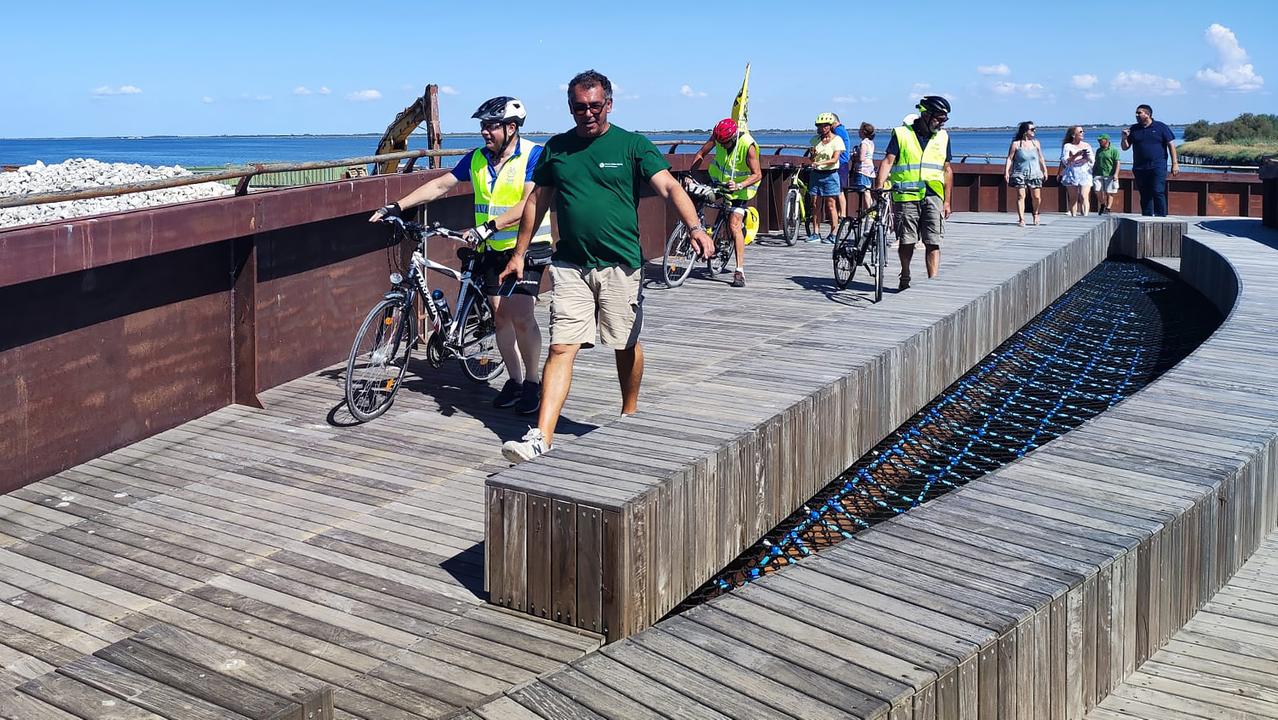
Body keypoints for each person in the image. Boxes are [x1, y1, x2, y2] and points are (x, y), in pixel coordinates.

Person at [499, 70, 712, 463]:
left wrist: (695, 228)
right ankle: (541, 437)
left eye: (595, 106)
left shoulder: (631, 145)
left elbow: (668, 187)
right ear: (570, 108)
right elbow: (536, 203)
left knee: (624, 342)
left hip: (621, 265)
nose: (588, 114)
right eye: (580, 107)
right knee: (562, 346)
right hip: (571, 265)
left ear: (608, 104)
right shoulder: (557, 149)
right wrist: (518, 253)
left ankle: (629, 413)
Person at [370, 96, 550, 415]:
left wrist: (489, 226)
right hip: (491, 248)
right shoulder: (477, 159)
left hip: (528, 245)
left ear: (511, 128)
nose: (484, 132)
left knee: (521, 314)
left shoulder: (534, 156)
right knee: (500, 316)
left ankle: (534, 384)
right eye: (482, 126)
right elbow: (441, 185)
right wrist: (397, 206)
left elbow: (529, 204)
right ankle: (516, 381)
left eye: (491, 126)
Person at [875, 96, 953, 291]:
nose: (942, 123)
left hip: (934, 194)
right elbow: (888, 161)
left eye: (945, 120)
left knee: (933, 241)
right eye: (939, 118)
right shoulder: (902, 134)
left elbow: (947, 170)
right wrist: (879, 184)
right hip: (906, 195)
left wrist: (947, 202)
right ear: (926, 115)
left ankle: (933, 283)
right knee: (907, 240)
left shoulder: (943, 137)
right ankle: (905, 274)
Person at [689, 117, 762, 287]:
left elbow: (757, 174)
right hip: (718, 182)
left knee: (734, 226)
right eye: (719, 141)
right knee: (698, 200)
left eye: (725, 143)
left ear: (733, 137)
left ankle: (739, 271)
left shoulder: (748, 145)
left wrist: (739, 185)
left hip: (741, 190)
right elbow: (701, 153)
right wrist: (690, 175)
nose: (721, 145)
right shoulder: (718, 137)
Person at [1121, 104, 1179, 217]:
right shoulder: (1134, 129)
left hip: (1158, 165)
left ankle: (1161, 217)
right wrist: (1124, 138)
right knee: (1145, 194)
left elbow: (1171, 145)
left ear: (1148, 114)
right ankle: (1147, 217)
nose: (1136, 115)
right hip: (1140, 167)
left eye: (1139, 113)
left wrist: (1175, 164)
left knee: (1158, 191)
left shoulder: (1161, 127)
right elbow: (1125, 147)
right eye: (1136, 113)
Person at [807, 113, 845, 243]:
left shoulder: (837, 140)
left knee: (831, 205)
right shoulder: (815, 140)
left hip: (830, 174)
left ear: (829, 126)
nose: (821, 128)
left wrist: (819, 163)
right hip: (816, 174)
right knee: (815, 204)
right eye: (819, 126)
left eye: (824, 126)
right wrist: (813, 156)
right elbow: (811, 158)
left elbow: (835, 159)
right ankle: (815, 232)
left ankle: (834, 233)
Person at [1003, 121, 1047, 227]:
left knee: (1036, 197)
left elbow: (1041, 158)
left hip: (1035, 173)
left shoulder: (1036, 143)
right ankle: (1021, 219)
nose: (1034, 131)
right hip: (1020, 173)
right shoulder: (1016, 144)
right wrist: (1006, 172)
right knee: (1020, 196)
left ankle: (1035, 213)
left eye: (1034, 129)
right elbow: (1009, 158)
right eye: (1032, 129)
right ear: (1025, 131)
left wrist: (1044, 170)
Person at [1059, 125, 1093, 217]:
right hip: (1072, 173)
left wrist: (1087, 157)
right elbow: (1065, 161)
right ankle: (1074, 217)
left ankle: (1085, 216)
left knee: (1083, 196)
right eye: (1080, 132)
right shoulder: (1068, 146)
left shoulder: (1087, 145)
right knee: (1073, 197)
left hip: (1085, 172)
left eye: (1083, 131)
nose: (1083, 133)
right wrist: (1075, 155)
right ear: (1074, 135)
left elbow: (1092, 161)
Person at [850, 122, 876, 213]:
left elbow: (861, 158)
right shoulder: (871, 142)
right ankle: (871, 210)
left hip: (863, 170)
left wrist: (854, 156)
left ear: (863, 132)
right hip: (870, 170)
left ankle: (869, 211)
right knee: (867, 190)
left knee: (865, 192)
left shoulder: (864, 143)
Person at [1091, 134, 1121, 215]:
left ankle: (1108, 208)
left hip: (1110, 174)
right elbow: (1096, 162)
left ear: (1107, 140)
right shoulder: (1098, 150)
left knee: (1109, 192)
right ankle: (1102, 204)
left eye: (1101, 140)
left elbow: (1117, 162)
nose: (1099, 142)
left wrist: (1116, 174)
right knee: (1097, 190)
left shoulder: (1114, 150)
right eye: (1099, 140)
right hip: (1098, 174)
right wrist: (1093, 171)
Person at [832, 114, 853, 222]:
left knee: (839, 190)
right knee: (840, 190)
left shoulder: (838, 131)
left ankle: (842, 214)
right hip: (843, 163)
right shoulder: (842, 130)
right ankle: (841, 213)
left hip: (841, 163)